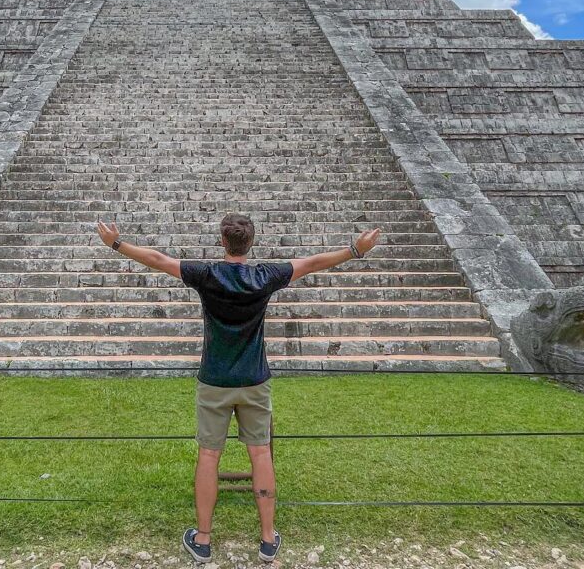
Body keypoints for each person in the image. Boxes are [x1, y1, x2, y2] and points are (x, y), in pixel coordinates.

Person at [96, 212, 382, 564]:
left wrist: (116, 244)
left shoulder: (207, 274)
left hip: (215, 380)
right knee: (260, 454)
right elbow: (312, 263)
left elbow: (158, 259)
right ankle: (266, 538)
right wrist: (356, 249)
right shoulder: (265, 277)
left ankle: (202, 539)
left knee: (208, 456)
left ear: (222, 241)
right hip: (254, 380)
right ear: (251, 242)